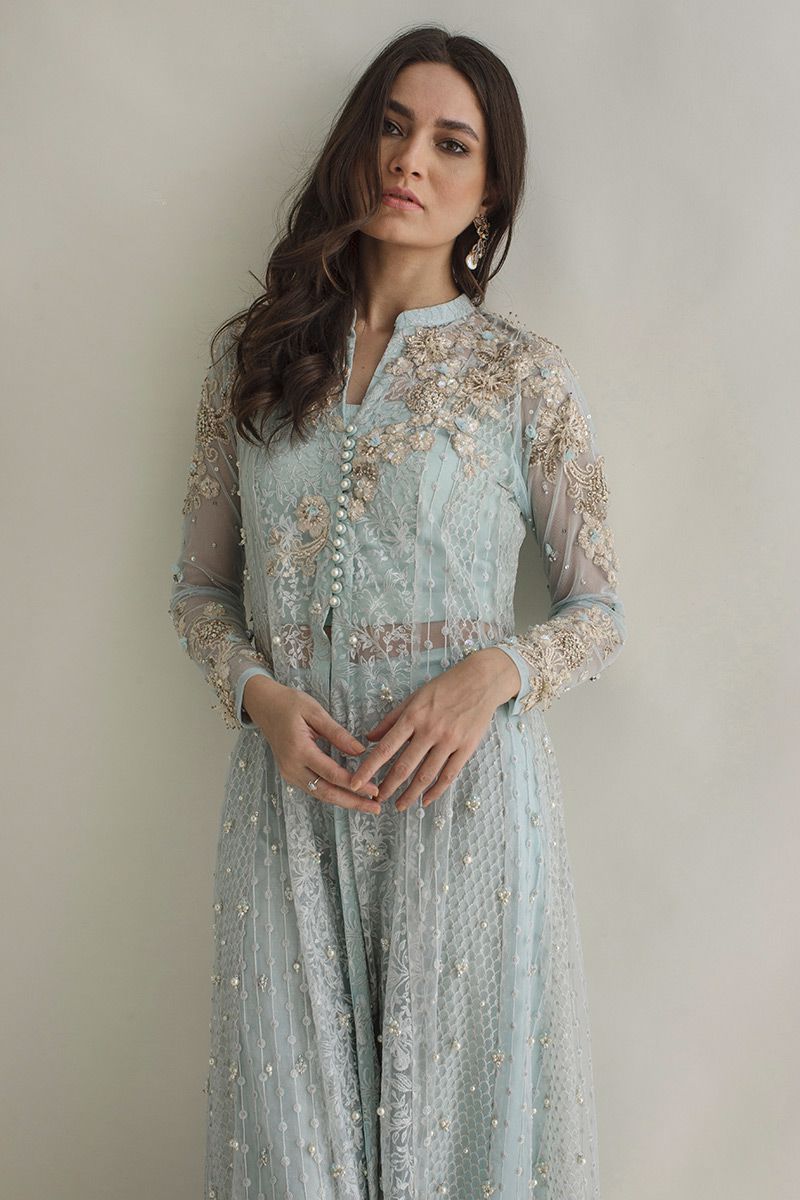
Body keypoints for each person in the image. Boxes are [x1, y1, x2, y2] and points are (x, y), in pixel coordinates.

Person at [169, 24, 627, 1200]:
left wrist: (491, 676)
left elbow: (596, 610)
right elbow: (201, 594)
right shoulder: (253, 361)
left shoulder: (520, 376)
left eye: (449, 143)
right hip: (291, 802)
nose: (408, 159)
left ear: (489, 191)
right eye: (390, 125)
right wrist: (261, 700)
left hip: (464, 806)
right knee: (291, 1150)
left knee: (463, 1149)